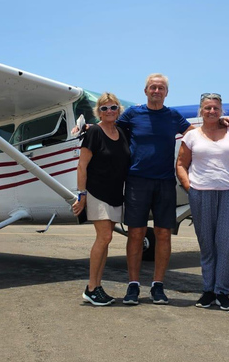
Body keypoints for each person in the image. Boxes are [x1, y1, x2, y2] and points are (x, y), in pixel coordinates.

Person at [117, 73, 192, 305]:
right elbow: (110, 131)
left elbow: (194, 134)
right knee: (136, 234)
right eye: (152, 87)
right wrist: (90, 127)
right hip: (137, 181)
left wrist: (222, 124)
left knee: (163, 234)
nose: (156, 91)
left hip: (165, 182)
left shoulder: (173, 116)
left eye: (161, 88)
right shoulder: (132, 114)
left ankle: (158, 285)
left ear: (166, 93)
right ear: (145, 91)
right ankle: (133, 285)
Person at [176, 93, 229, 311]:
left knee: (227, 245)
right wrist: (190, 187)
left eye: (215, 108)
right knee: (207, 245)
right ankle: (208, 291)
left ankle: (222, 292)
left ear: (221, 110)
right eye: (207, 108)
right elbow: (181, 164)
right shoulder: (191, 136)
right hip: (201, 193)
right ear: (201, 110)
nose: (211, 111)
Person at [72, 92, 131, 306]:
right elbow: (82, 165)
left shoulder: (122, 132)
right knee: (104, 237)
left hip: (116, 193)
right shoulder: (94, 132)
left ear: (118, 110)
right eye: (104, 108)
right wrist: (82, 195)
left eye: (113, 107)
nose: (109, 111)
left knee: (107, 240)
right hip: (97, 192)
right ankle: (90, 287)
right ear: (99, 112)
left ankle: (97, 286)